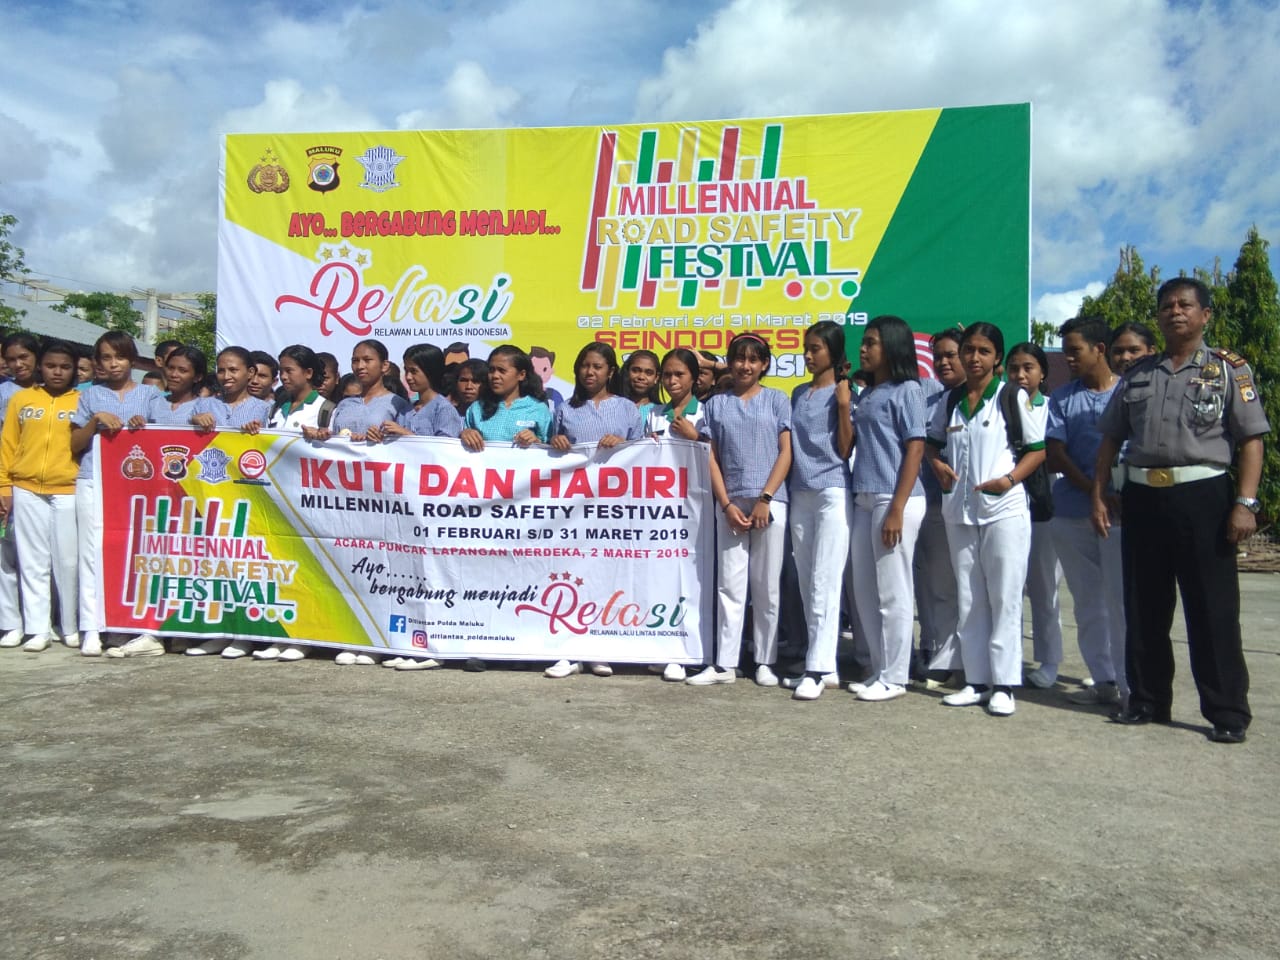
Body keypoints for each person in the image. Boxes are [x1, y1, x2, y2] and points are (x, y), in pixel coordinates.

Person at [1092, 278, 1269, 744]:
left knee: (1212, 609)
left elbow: (1252, 440)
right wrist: (1100, 493)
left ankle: (1227, 712)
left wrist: (1245, 503)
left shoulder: (1228, 369)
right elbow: (1110, 438)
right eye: (1167, 305)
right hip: (1143, 497)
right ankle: (1147, 700)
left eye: (1185, 304)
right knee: (1144, 605)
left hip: (1203, 496)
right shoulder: (1138, 373)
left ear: (1204, 314)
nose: (1175, 311)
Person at [925, 323, 1045, 717]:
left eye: (984, 351)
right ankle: (976, 681)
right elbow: (932, 444)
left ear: (997, 359)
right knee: (970, 597)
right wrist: (937, 465)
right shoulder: (951, 400)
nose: (974, 358)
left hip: (1003, 511)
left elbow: (1037, 450)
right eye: (969, 350)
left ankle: (1005, 684)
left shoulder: (1011, 396)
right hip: (960, 512)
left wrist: (1008, 480)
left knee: (1004, 597)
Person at [687, 333, 792, 687]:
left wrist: (766, 498)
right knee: (729, 585)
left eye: (753, 359)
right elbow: (711, 457)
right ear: (729, 363)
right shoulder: (716, 405)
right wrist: (726, 503)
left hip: (770, 502)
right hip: (730, 503)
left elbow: (786, 451)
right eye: (739, 358)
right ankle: (725, 664)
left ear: (764, 364)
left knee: (766, 586)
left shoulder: (777, 399)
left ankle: (765, 661)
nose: (745, 366)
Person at [544, 343, 642, 679]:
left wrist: (624, 445)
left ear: (610, 371)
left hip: (613, 508)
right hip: (573, 508)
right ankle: (569, 650)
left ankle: (599, 647)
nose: (590, 372)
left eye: (597, 366)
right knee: (571, 574)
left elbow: (645, 455)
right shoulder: (565, 410)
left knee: (606, 576)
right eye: (585, 365)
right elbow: (548, 454)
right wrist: (555, 443)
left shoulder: (627, 409)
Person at [1046, 315, 1126, 707]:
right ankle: (1103, 679)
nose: (1069, 358)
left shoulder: (1127, 392)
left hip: (1121, 513)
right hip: (1072, 511)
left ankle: (1131, 686)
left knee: (1120, 602)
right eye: (1065, 352)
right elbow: (1055, 453)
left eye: (1075, 351)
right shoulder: (1063, 397)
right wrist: (1094, 491)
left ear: (1100, 349)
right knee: (1087, 602)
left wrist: (1110, 494)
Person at [69, 331, 164, 657]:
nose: (113, 364)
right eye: (106, 358)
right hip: (93, 479)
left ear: (132, 361)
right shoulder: (89, 396)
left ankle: (132, 624)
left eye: (120, 357)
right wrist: (94, 421)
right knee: (90, 552)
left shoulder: (150, 396)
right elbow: (75, 444)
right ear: (97, 362)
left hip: (137, 486)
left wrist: (144, 426)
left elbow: (164, 437)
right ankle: (91, 627)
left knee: (135, 551)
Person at [848, 316, 927, 703]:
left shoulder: (908, 390)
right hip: (863, 497)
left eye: (871, 342)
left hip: (894, 498)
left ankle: (897, 676)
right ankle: (879, 669)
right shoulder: (868, 393)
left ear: (892, 346)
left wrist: (897, 506)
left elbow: (916, 447)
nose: (863, 349)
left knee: (893, 591)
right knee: (865, 591)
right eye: (863, 342)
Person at [785, 321, 853, 701]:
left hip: (832, 490)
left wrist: (843, 406)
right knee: (808, 581)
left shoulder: (846, 392)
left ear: (833, 351)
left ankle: (816, 668)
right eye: (806, 348)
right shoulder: (798, 393)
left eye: (816, 349)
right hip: (801, 491)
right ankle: (827, 666)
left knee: (826, 580)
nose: (808, 355)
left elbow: (846, 448)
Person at [0, 340, 81, 652]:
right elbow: (8, 444)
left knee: (67, 561)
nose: (57, 372)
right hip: (26, 487)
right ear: (40, 366)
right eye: (50, 366)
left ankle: (69, 626)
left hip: (68, 488)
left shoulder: (82, 399)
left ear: (74, 370)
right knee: (32, 561)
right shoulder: (21, 399)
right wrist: (4, 486)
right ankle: (38, 629)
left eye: (64, 367)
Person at [1005, 342, 1064, 689]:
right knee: (1007, 588)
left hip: (1043, 506)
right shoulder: (1000, 405)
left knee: (1043, 587)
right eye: (1014, 368)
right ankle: (1008, 659)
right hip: (1006, 505)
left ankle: (1049, 660)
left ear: (1043, 373)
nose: (1020, 375)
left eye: (1028, 368)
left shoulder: (1051, 409)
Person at [914, 328, 965, 687]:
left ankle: (976, 661)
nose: (944, 362)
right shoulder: (929, 399)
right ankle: (944, 657)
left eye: (952, 355)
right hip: (935, 505)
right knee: (940, 587)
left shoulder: (990, 398)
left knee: (974, 588)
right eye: (939, 356)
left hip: (978, 507)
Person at [0, 332, 41, 648]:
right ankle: (10, 622)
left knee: (37, 556)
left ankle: (40, 621)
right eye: (11, 359)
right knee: (6, 555)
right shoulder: (4, 393)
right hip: (7, 479)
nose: (17, 364)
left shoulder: (54, 391)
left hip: (37, 483)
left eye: (23, 357)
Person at [305, 340, 410, 444]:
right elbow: (333, 438)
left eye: (367, 360)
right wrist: (321, 435)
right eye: (355, 361)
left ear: (384, 365)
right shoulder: (344, 404)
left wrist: (380, 438)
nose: (360, 366)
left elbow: (408, 444)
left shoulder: (397, 404)